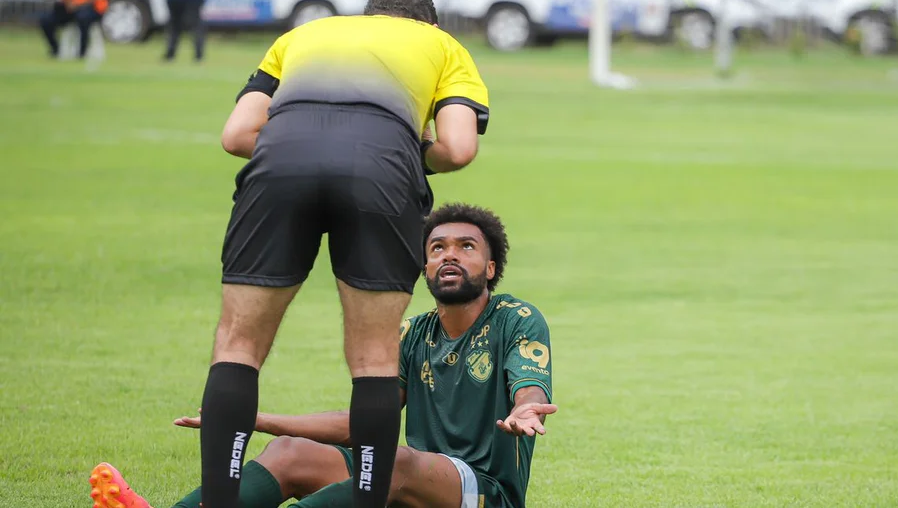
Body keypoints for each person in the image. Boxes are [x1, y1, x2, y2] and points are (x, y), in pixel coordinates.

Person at [202, 0, 488, 508]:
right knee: (376, 355)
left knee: (238, 344)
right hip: (383, 167)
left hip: (281, 159)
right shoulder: (444, 47)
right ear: (429, 25)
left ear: (368, 16)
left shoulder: (305, 33)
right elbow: (459, 146)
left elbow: (237, 135)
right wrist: (402, 149)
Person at [88, 204, 555, 508]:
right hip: (407, 480)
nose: (449, 256)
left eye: (466, 247)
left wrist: (525, 406)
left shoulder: (516, 318)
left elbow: (528, 386)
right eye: (437, 248)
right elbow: (360, 425)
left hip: (481, 494)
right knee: (291, 454)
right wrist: (259, 419)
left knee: (392, 461)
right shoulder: (414, 332)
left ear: (491, 268)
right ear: (424, 267)